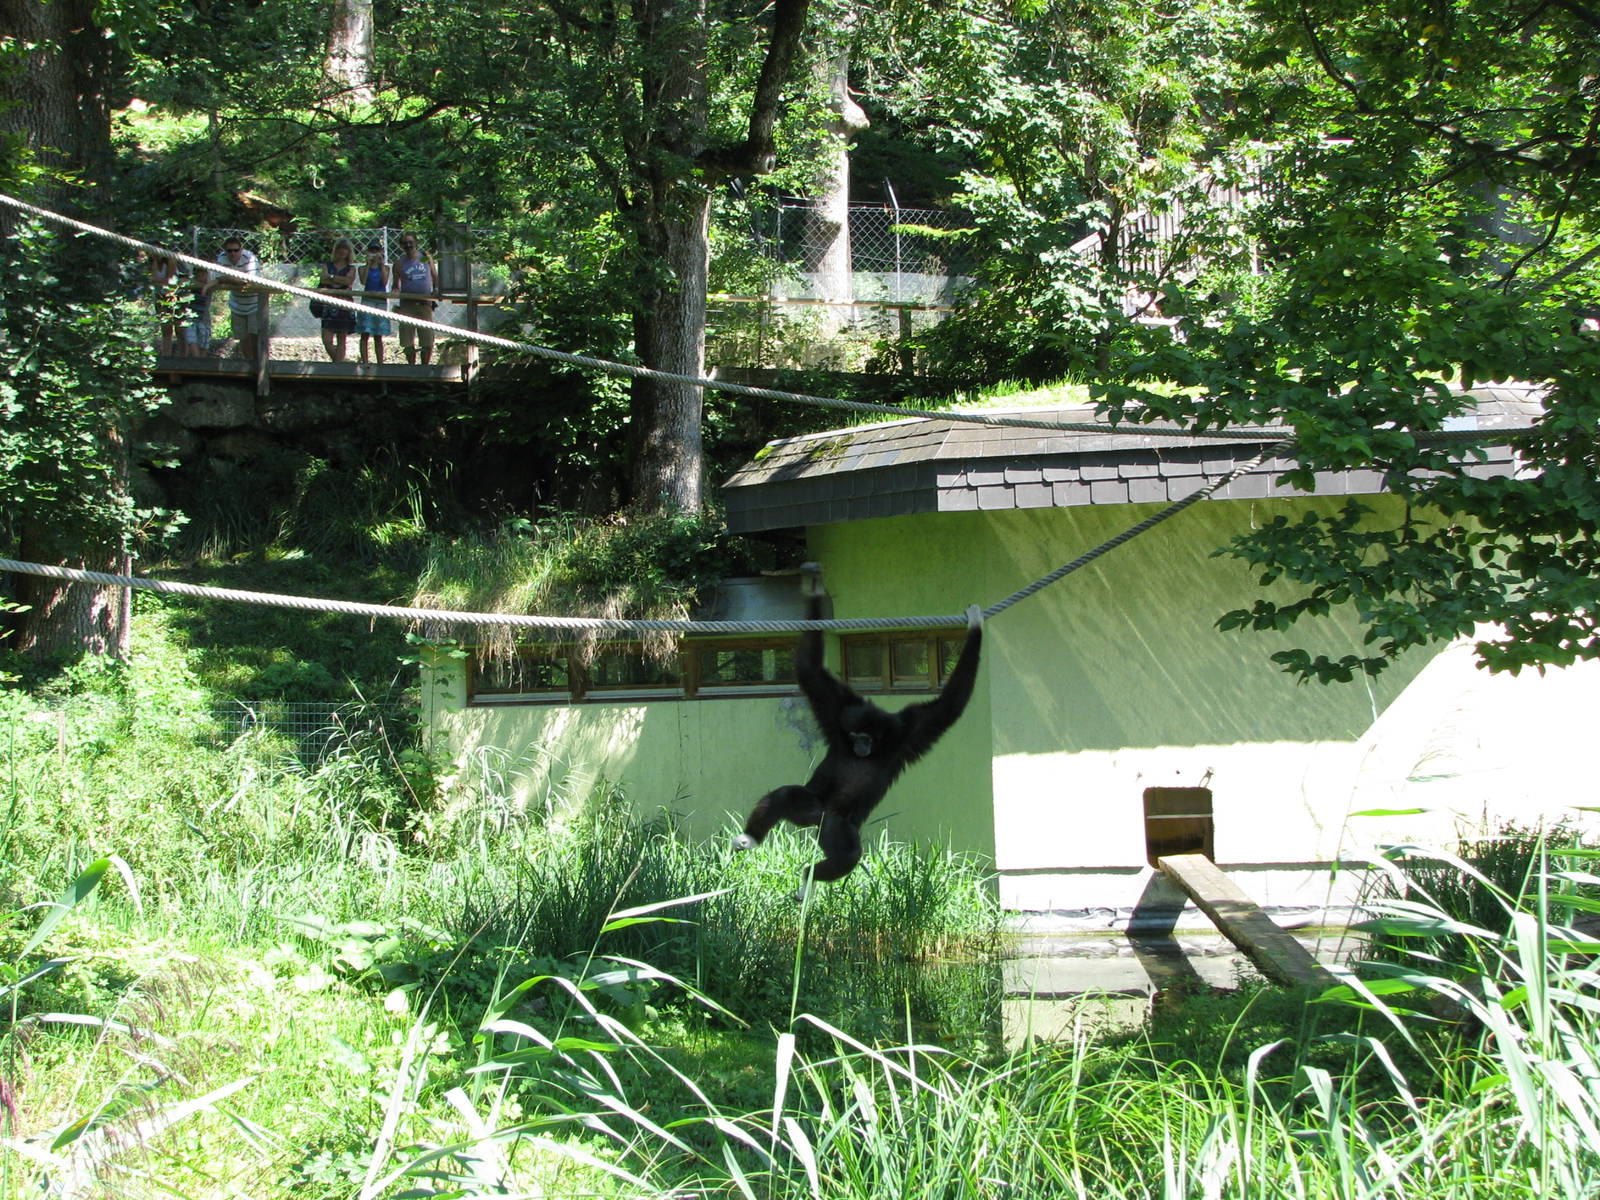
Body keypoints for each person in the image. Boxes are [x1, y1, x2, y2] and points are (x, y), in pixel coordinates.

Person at [390, 233, 437, 365]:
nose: (408, 245)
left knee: (427, 339)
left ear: (416, 242)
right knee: (407, 340)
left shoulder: (425, 258)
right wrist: (394, 291)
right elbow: (396, 285)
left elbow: (434, 275)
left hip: (425, 303)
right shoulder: (399, 263)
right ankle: (412, 367)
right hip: (406, 305)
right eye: (405, 242)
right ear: (401, 245)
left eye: (410, 242)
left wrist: (436, 289)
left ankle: (425, 367)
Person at [215, 237, 262, 360]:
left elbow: (251, 281)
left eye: (236, 250)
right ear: (225, 251)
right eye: (229, 251)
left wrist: (229, 278)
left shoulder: (250, 258)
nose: (233, 254)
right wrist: (238, 280)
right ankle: (248, 363)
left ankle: (258, 363)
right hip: (236, 304)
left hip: (254, 303)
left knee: (255, 335)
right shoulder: (222, 258)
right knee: (242, 337)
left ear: (241, 249)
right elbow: (218, 277)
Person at [317, 238, 359, 362]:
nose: (342, 251)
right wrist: (338, 279)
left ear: (349, 252)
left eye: (345, 249)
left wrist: (332, 277)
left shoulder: (351, 268)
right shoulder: (327, 265)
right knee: (327, 340)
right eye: (340, 248)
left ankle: (338, 366)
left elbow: (348, 281)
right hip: (328, 304)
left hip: (344, 305)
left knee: (342, 338)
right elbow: (323, 279)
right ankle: (340, 363)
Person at [355, 241, 392, 364]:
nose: (374, 253)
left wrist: (381, 264)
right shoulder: (362, 268)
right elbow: (363, 281)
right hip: (367, 301)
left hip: (381, 301)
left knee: (378, 335)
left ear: (381, 252)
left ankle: (380, 362)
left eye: (377, 251)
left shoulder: (386, 268)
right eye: (372, 251)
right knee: (365, 333)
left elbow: (385, 281)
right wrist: (368, 263)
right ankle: (365, 361)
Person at [149, 252, 182, 356]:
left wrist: (154, 281)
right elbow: (149, 279)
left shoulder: (170, 259)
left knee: (180, 328)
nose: (155, 252)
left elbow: (170, 281)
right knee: (166, 328)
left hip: (177, 295)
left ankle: (184, 358)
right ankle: (166, 355)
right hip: (160, 296)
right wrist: (154, 262)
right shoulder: (149, 263)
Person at [183, 266, 214, 356]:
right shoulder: (190, 283)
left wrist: (206, 287)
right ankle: (196, 363)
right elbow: (185, 281)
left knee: (203, 345)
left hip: (204, 318)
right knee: (192, 341)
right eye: (199, 271)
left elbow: (216, 282)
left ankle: (201, 365)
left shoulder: (210, 283)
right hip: (190, 317)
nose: (202, 274)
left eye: (204, 272)